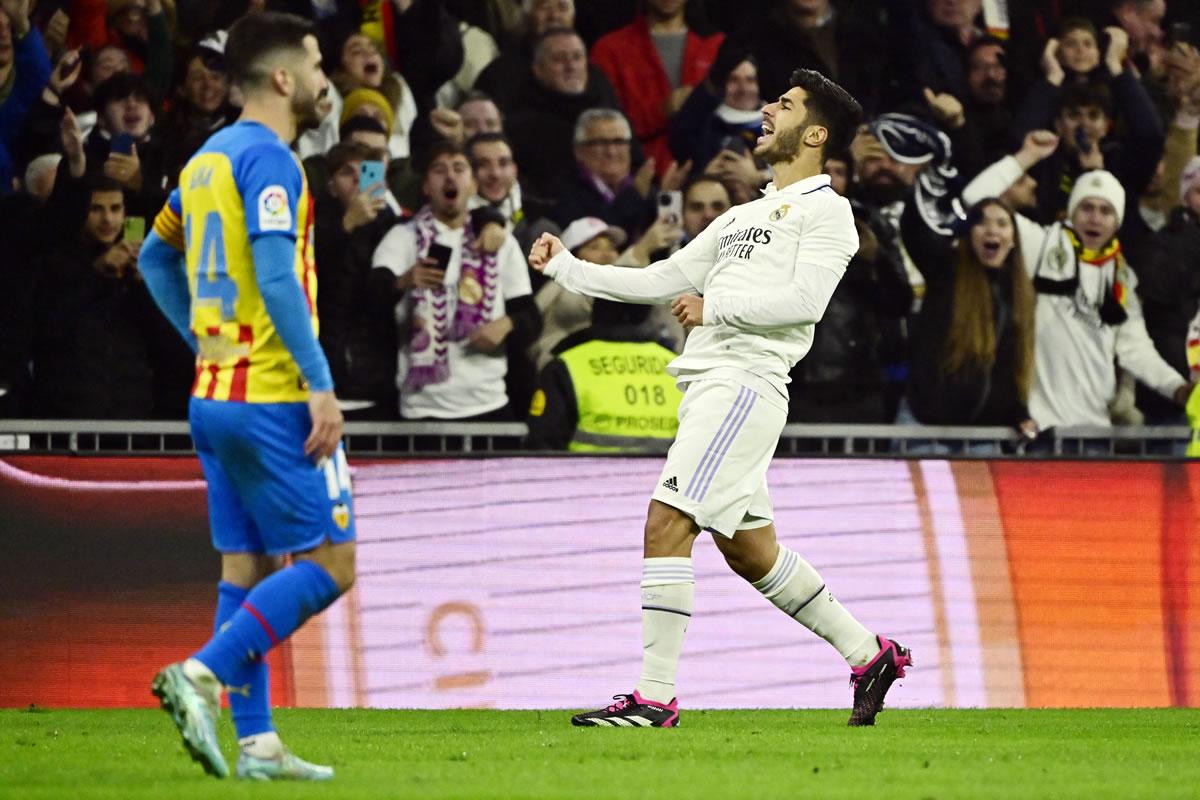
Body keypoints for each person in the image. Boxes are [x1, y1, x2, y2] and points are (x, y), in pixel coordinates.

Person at [528, 68, 911, 728]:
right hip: (711, 385)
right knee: (749, 551)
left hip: (744, 384)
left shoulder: (828, 211)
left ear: (815, 133)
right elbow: (657, 279)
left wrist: (717, 307)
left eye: (784, 106)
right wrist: (566, 265)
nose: (766, 110)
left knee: (666, 521)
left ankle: (655, 696)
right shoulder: (742, 215)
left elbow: (803, 304)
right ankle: (867, 653)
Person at [138, 12, 354, 781]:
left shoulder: (203, 162)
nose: (329, 78)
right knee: (333, 562)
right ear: (285, 77)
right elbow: (273, 276)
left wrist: (203, 341)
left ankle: (257, 745)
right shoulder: (272, 161)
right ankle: (201, 673)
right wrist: (321, 385)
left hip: (213, 395)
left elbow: (152, 254)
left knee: (248, 569)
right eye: (319, 62)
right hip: (271, 396)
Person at [961, 131, 1192, 430]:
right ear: (1072, 212)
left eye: (1105, 211)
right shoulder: (1040, 245)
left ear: (1117, 221)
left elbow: (1135, 350)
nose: (1095, 218)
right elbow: (974, 200)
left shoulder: (1121, 279)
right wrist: (1026, 157)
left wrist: (1177, 387)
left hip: (1094, 431)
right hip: (1038, 430)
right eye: (1086, 207)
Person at [372, 140, 541, 421]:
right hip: (421, 409)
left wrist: (507, 324)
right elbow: (371, 300)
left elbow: (530, 316)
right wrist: (404, 281)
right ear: (426, 186)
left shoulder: (497, 241)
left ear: (474, 185)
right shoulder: (402, 238)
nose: (450, 176)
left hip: (488, 404)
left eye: (459, 168)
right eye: (439, 170)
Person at [525, 297, 683, 452]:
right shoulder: (679, 368)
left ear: (597, 309)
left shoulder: (566, 365)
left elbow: (542, 449)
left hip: (586, 477)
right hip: (668, 477)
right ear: (648, 311)